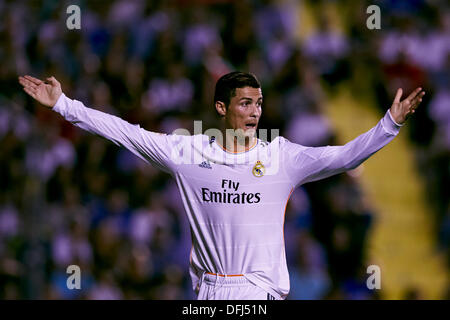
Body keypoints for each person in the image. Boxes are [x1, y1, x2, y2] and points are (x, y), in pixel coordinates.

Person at [18, 72, 424, 300]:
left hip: (258, 294)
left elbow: (345, 156)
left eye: (259, 103)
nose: (255, 111)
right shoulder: (187, 152)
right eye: (245, 103)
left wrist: (389, 124)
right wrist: (65, 105)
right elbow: (127, 133)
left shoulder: (280, 157)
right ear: (221, 108)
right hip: (207, 294)